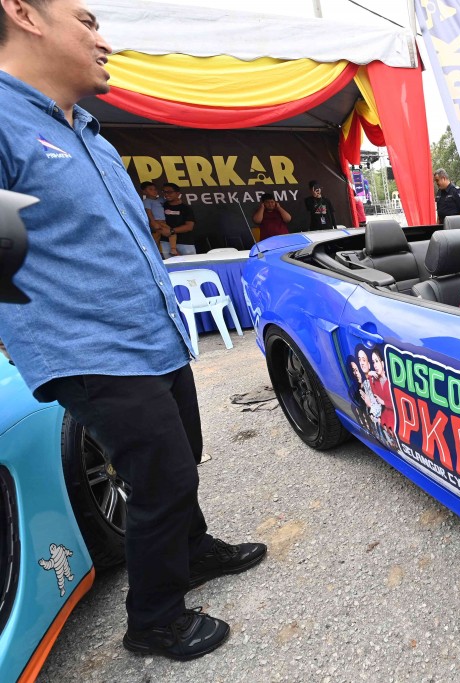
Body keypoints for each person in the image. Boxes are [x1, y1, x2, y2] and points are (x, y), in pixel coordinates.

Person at [0, 0, 265, 661]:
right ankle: (153, 619)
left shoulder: (90, 132)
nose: (102, 38)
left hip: (151, 334)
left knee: (184, 454)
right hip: (86, 345)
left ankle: (192, 549)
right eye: (87, 21)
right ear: (23, 13)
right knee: (162, 473)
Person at [161, 183, 196, 256]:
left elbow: (189, 226)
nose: (166, 194)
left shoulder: (186, 208)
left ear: (178, 193)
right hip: (166, 242)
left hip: (185, 242)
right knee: (170, 266)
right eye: (164, 192)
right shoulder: (161, 206)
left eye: (170, 192)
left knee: (190, 266)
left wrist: (171, 231)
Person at [140, 181, 168, 249]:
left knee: (170, 234)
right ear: (144, 192)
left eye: (155, 189)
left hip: (165, 221)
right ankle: (156, 254)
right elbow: (148, 212)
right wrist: (153, 222)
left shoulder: (161, 199)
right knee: (155, 240)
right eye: (150, 189)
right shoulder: (147, 201)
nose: (154, 191)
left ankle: (172, 249)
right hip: (156, 222)